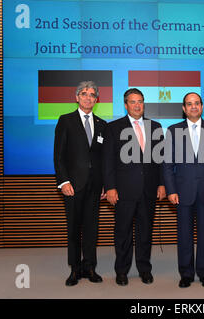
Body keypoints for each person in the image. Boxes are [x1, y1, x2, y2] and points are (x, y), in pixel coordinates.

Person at [163, 92, 204, 288]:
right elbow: (167, 164)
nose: (193, 107)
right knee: (184, 235)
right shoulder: (173, 130)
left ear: (202, 106)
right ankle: (186, 273)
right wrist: (171, 190)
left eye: (196, 103)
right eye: (189, 104)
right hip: (182, 192)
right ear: (184, 108)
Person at [103, 88, 166, 286]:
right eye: (133, 102)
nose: (137, 105)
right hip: (123, 191)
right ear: (126, 104)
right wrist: (110, 187)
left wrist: (162, 183)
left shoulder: (155, 126)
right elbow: (107, 161)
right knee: (122, 232)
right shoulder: (113, 128)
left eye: (140, 101)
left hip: (148, 189)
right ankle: (121, 271)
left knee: (145, 232)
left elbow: (160, 160)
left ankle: (144, 269)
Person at [54, 81, 107, 286]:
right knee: (74, 228)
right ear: (77, 97)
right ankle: (75, 269)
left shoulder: (102, 124)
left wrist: (104, 183)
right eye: (84, 94)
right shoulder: (65, 121)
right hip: (73, 186)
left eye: (92, 95)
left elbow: (103, 158)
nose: (88, 98)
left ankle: (90, 267)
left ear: (96, 99)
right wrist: (63, 181)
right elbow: (58, 155)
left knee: (92, 229)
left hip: (95, 187)